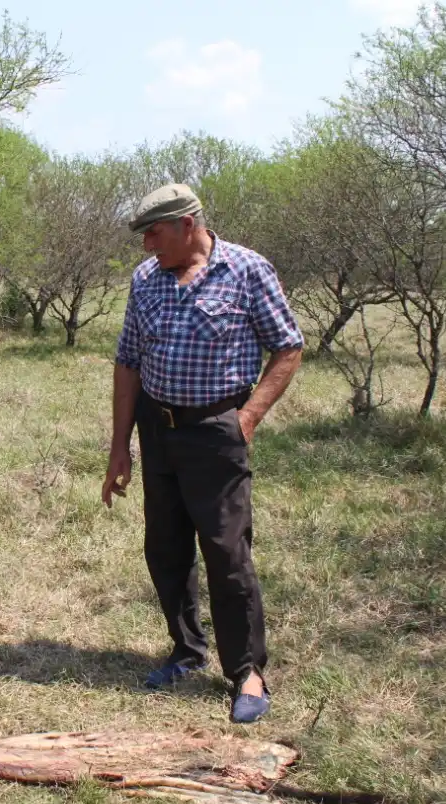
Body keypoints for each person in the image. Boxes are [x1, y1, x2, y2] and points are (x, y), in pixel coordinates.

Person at [102, 183, 303, 724]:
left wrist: (249, 417)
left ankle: (247, 672)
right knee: (165, 547)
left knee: (226, 552)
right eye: (143, 234)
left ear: (188, 224)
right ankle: (187, 651)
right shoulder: (145, 280)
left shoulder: (246, 270)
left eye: (155, 232)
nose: (147, 245)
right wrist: (121, 446)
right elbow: (128, 362)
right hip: (158, 429)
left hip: (217, 430)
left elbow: (288, 346)